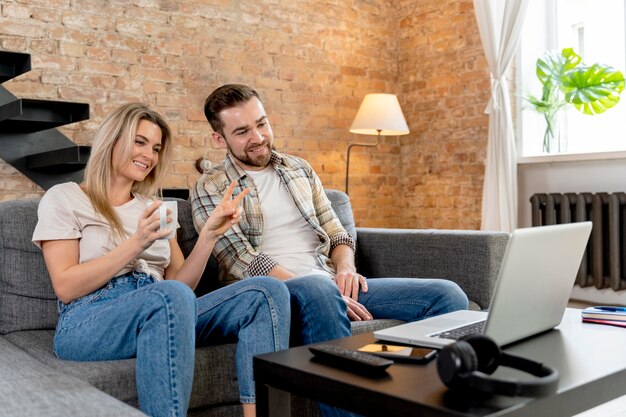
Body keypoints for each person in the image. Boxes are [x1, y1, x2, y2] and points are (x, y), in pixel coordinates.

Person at [32, 103, 296, 417]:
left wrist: (209, 235)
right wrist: (136, 244)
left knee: (267, 292)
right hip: (90, 319)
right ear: (112, 140)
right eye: (140, 142)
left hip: (166, 305)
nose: (150, 155)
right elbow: (65, 286)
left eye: (156, 148)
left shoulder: (157, 207)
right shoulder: (66, 197)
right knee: (167, 297)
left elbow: (180, 286)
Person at [191, 83, 469, 330]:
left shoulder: (299, 169)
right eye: (242, 132)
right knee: (317, 289)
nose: (259, 137)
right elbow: (240, 259)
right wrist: (321, 289)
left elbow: (336, 231)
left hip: (330, 281)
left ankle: (410, 386)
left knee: (448, 295)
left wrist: (345, 268)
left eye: (261, 124)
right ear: (219, 139)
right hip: (275, 294)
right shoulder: (211, 186)